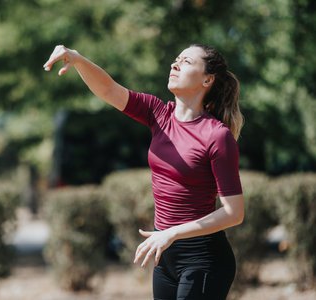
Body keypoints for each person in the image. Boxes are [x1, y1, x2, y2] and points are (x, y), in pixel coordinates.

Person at [43, 44, 244, 300]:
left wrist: (172, 233)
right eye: (175, 59)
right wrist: (78, 59)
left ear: (208, 79)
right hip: (165, 256)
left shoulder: (217, 136)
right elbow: (108, 89)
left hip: (203, 259)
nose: (175, 64)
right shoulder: (159, 114)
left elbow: (234, 213)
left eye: (186, 61)